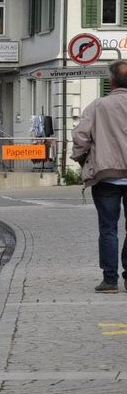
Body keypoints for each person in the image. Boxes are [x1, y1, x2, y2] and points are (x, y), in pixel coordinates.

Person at [72, 60, 127, 293]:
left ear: (111, 81)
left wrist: (82, 159)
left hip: (106, 176)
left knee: (108, 228)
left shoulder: (98, 106)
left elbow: (80, 137)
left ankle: (110, 280)